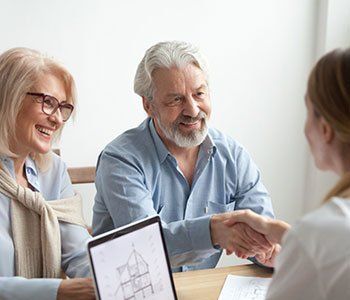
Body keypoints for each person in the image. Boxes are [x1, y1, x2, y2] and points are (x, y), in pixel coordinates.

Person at [92, 41, 275, 271]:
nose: (193, 110)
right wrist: (212, 232)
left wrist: (268, 252)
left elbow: (264, 234)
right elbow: (147, 248)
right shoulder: (120, 160)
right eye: (176, 100)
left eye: (199, 94)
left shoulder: (233, 156)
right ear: (148, 106)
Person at [227, 48, 350, 299]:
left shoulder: (319, 234)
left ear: (325, 129)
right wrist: (285, 234)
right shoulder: (318, 237)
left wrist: (300, 242)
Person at [0, 48, 95, 300]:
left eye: (63, 107)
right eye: (48, 103)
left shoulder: (53, 170)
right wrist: (57, 291)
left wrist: (109, 276)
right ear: (10, 98)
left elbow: (78, 253)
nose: (57, 119)